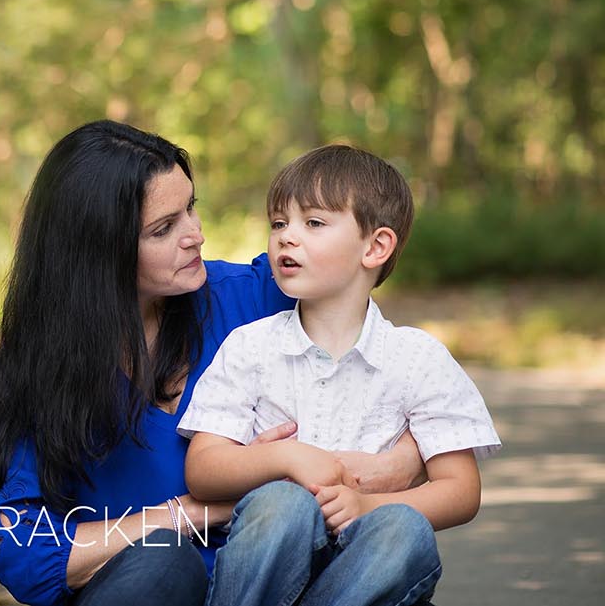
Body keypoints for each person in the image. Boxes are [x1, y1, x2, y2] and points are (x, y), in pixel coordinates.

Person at [0, 122, 424, 606]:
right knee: (164, 558)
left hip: (291, 590)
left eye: (191, 208)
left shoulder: (260, 299)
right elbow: (26, 559)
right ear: (98, 253)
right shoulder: (37, 376)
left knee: (400, 551)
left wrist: (398, 461)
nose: (196, 236)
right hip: (142, 592)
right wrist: (197, 510)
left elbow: (393, 379)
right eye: (164, 229)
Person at [180, 144, 501, 606]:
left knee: (404, 529)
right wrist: (289, 458)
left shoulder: (417, 358)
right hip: (264, 567)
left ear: (375, 246)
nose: (286, 237)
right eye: (278, 223)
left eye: (313, 223)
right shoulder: (251, 346)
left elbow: (461, 491)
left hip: (365, 570)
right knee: (283, 505)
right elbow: (204, 470)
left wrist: (365, 505)